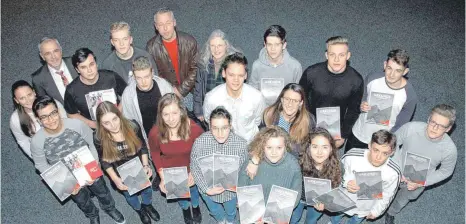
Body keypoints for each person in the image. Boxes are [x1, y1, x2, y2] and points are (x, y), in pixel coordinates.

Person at [30, 96, 125, 224]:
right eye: (44, 117)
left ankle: (109, 208)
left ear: (58, 111)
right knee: (82, 200)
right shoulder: (37, 141)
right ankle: (92, 214)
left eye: (53, 113)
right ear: (38, 119)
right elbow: (41, 165)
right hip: (65, 176)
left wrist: (94, 167)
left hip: (88, 166)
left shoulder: (76, 124)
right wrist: (63, 184)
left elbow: (92, 144)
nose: (51, 119)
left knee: (102, 191)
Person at [385, 104, 457, 224]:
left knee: (403, 199)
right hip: (397, 168)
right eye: (433, 122)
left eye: (441, 126)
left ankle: (391, 212)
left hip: (418, 181)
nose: (434, 128)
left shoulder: (449, 150)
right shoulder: (411, 128)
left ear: (448, 128)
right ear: (428, 119)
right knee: (385, 189)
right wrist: (397, 167)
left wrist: (422, 183)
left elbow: (446, 171)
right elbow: (394, 142)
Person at [94, 102, 160, 224]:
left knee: (147, 190)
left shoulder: (133, 126)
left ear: (119, 115)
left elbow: (143, 147)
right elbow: (104, 161)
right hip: (120, 173)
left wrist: (146, 165)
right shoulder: (99, 138)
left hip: (139, 168)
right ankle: (139, 210)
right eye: (106, 123)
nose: (113, 126)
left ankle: (147, 205)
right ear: (100, 124)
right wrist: (115, 180)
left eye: (115, 119)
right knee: (130, 196)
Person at [148, 93, 204, 224]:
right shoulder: (155, 132)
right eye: (165, 114)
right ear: (160, 115)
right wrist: (162, 176)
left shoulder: (194, 129)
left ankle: (195, 207)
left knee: (194, 190)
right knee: (181, 196)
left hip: (191, 168)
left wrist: (195, 172)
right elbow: (155, 153)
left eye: (174, 113)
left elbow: (203, 151)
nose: (171, 119)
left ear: (181, 112)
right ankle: (185, 208)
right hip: (171, 171)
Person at [299, 36, 364, 148]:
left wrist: (343, 135)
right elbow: (300, 97)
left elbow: (353, 110)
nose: (336, 59)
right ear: (326, 55)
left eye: (341, 55)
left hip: (336, 129)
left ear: (348, 56)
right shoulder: (311, 73)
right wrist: (304, 122)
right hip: (311, 123)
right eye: (332, 54)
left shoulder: (356, 80)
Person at [347, 49, 417, 152]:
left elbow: (401, 126)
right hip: (360, 133)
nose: (392, 74)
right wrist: (361, 105)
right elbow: (362, 97)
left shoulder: (409, 96)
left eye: (398, 70)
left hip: (381, 143)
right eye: (389, 68)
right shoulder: (372, 78)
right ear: (385, 65)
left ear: (405, 71)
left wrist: (385, 142)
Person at [190, 106, 248, 224]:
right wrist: (206, 189)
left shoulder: (241, 145)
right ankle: (221, 220)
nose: (220, 133)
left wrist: (241, 192)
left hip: (230, 192)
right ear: (209, 127)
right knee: (215, 210)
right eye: (215, 128)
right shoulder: (200, 143)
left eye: (224, 128)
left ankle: (230, 221)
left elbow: (244, 171)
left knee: (231, 211)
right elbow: (194, 167)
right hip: (208, 190)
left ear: (230, 126)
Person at [245, 83, 316, 179]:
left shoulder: (308, 120)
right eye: (287, 99)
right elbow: (259, 142)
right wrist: (254, 160)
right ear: (281, 99)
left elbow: (309, 151)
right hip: (268, 166)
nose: (290, 104)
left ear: (301, 103)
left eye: (295, 101)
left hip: (295, 168)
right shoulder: (269, 115)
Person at [336, 130, 401, 224]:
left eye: (385, 153)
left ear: (392, 153)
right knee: (336, 216)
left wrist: (377, 211)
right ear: (369, 145)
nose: (378, 157)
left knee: (355, 221)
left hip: (365, 206)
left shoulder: (393, 173)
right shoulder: (352, 156)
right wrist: (346, 182)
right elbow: (338, 172)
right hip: (344, 198)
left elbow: (388, 194)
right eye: (376, 150)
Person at [203, 53, 266, 143]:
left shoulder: (257, 97)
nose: (236, 79)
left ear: (245, 76)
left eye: (240, 75)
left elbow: (258, 122)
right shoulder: (211, 98)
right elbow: (209, 121)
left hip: (249, 147)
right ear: (224, 73)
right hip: (222, 147)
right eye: (231, 75)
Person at [146, 7, 198, 113]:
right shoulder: (151, 47)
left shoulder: (190, 41)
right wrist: (169, 90)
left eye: (168, 23)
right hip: (166, 92)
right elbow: (154, 74)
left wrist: (181, 90)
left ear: (174, 22)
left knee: (195, 120)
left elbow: (196, 69)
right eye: (160, 25)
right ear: (156, 27)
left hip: (190, 90)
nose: (165, 28)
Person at [238, 126, 302, 208]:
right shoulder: (252, 161)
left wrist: (280, 212)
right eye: (269, 147)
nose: (274, 152)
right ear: (262, 146)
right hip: (254, 206)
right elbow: (242, 184)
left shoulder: (293, 164)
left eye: (279, 147)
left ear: (285, 147)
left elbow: (296, 192)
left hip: (279, 209)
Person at [64, 48, 127, 129]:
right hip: (96, 131)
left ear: (96, 64)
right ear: (77, 70)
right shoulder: (72, 90)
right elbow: (71, 114)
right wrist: (91, 124)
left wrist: (118, 112)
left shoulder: (111, 77)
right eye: (83, 67)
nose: (89, 70)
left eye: (91, 64)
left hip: (119, 123)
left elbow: (127, 94)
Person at [289, 127, 342, 224]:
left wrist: (326, 203)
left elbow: (334, 190)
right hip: (300, 198)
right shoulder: (298, 164)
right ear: (308, 148)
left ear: (331, 149)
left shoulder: (336, 167)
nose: (319, 152)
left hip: (318, 201)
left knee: (311, 221)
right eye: (315, 146)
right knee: (293, 219)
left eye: (324, 147)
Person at [121, 55, 173, 145]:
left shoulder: (164, 86)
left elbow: (175, 110)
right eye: (139, 78)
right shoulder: (128, 94)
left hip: (168, 131)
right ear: (133, 76)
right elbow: (129, 122)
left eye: (146, 77)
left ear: (152, 73)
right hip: (146, 137)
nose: (143, 82)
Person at [193, 29, 242, 123]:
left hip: (229, 110)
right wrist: (198, 111)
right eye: (213, 46)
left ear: (226, 46)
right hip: (208, 108)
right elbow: (198, 89)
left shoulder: (235, 63)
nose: (216, 49)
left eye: (220, 45)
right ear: (209, 47)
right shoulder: (203, 64)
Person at [10, 80, 67, 158]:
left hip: (67, 143)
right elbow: (23, 141)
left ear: (34, 92)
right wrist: (38, 159)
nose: (28, 100)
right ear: (16, 100)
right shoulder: (15, 119)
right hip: (46, 156)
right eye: (22, 98)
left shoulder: (52, 103)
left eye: (29, 94)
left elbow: (67, 124)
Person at [249, 25, 302, 105]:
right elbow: (252, 94)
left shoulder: (295, 66)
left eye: (277, 44)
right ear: (265, 44)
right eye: (269, 44)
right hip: (263, 112)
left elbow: (298, 95)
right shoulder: (257, 65)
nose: (273, 49)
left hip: (286, 111)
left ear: (284, 45)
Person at [32, 37, 78, 104]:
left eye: (56, 51)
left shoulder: (76, 62)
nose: (53, 56)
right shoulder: (38, 79)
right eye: (48, 53)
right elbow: (45, 106)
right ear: (42, 56)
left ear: (61, 50)